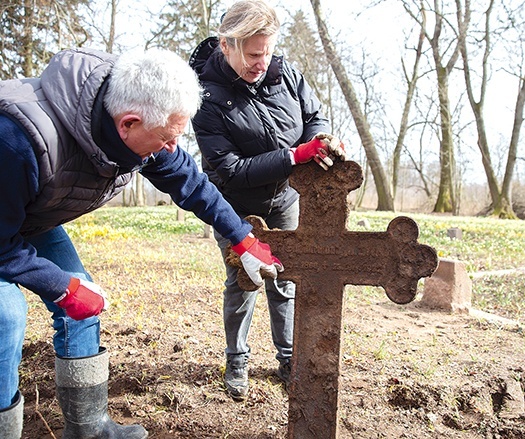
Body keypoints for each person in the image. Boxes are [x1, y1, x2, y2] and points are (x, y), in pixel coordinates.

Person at [0, 47, 283, 438]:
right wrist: (59, 285)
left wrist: (242, 238)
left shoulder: (141, 124)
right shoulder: (18, 141)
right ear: (128, 124)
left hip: (25, 216)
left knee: (84, 304)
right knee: (6, 318)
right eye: (167, 139)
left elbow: (191, 182)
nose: (171, 149)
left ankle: (89, 430)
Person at [189, 0, 346, 400]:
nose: (263, 61)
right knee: (244, 283)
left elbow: (314, 117)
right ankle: (236, 360)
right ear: (227, 46)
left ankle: (289, 359)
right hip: (236, 205)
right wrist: (295, 156)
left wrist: (321, 140)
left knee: (287, 281)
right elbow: (230, 169)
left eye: (269, 51)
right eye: (254, 54)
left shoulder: (286, 73)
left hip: (285, 199)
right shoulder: (204, 99)